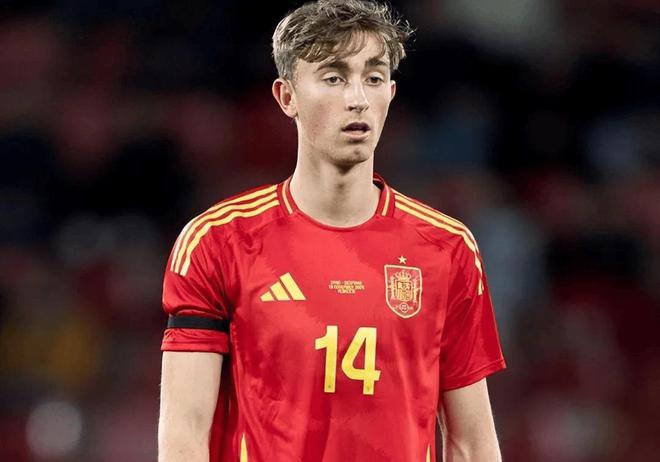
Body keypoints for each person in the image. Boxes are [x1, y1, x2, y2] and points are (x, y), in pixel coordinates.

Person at [158, 0, 506, 461]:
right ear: (287, 97)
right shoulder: (217, 242)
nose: (357, 98)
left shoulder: (447, 248)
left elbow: (472, 443)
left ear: (391, 94)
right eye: (334, 77)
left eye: (374, 78)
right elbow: (184, 436)